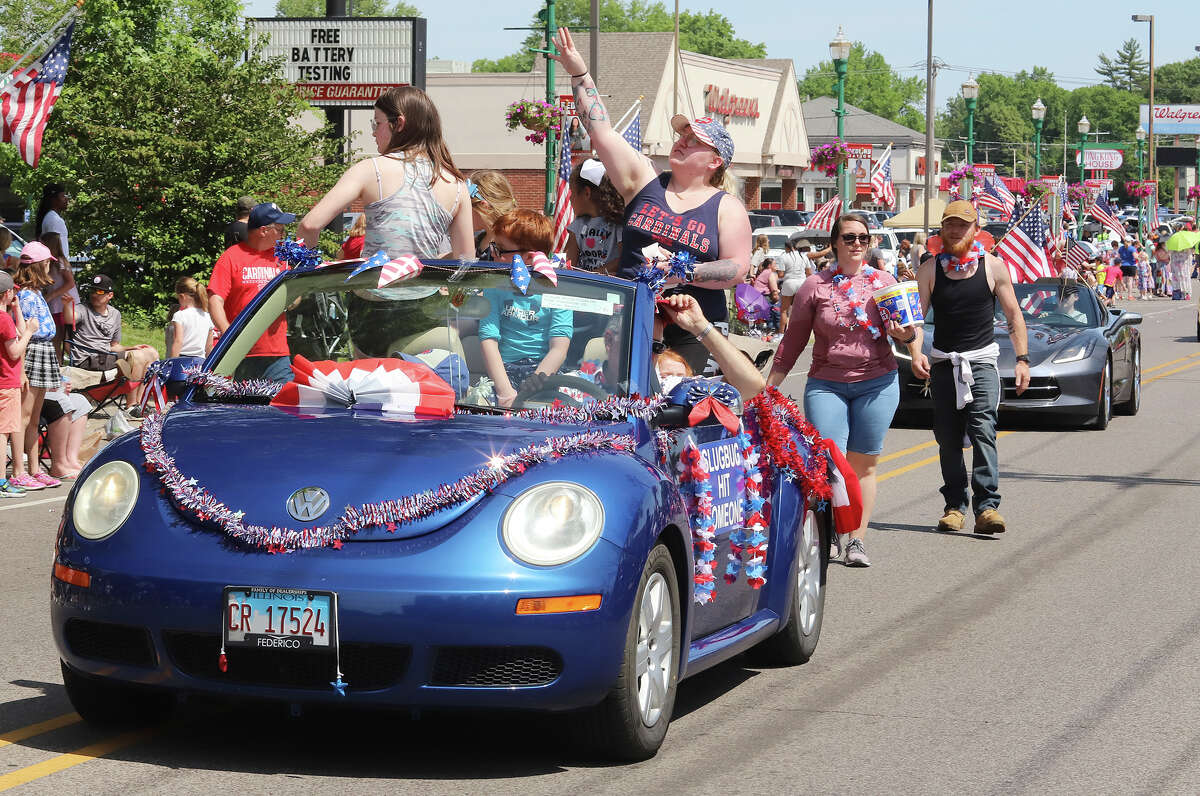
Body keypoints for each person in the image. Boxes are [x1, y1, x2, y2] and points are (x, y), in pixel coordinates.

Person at [549, 26, 751, 376]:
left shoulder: (726, 206)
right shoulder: (644, 180)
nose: (683, 141)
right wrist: (579, 74)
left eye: (695, 140)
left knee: (680, 412)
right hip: (633, 319)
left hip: (695, 327)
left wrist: (681, 271)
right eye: (682, 134)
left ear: (715, 161)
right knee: (624, 411)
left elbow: (738, 268)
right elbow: (601, 131)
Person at [768, 214, 923, 567]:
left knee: (864, 465)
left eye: (864, 238)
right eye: (850, 237)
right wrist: (769, 389)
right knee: (829, 464)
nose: (857, 244)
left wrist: (908, 341)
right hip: (827, 384)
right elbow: (792, 341)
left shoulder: (884, 282)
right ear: (835, 242)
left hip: (878, 382)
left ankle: (857, 540)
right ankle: (833, 531)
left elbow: (911, 330)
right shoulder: (814, 286)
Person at [916, 200, 1029, 536]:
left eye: (963, 225)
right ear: (942, 229)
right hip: (943, 364)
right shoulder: (930, 270)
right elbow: (916, 320)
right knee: (947, 439)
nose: (955, 230)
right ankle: (954, 506)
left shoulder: (992, 267)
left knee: (983, 431)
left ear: (975, 230)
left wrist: (1022, 360)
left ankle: (987, 508)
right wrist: (915, 348)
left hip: (981, 361)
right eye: (950, 224)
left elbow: (1013, 316)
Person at [297, 85, 473, 260]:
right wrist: (419, 264)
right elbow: (465, 260)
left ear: (398, 124)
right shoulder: (456, 183)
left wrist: (304, 273)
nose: (373, 133)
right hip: (427, 286)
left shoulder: (369, 170)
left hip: (373, 287)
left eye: (377, 123)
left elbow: (309, 225)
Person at [477, 210, 573, 409]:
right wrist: (505, 392)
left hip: (545, 373)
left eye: (500, 249)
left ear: (528, 258)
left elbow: (559, 346)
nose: (493, 254)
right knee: (478, 403)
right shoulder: (495, 286)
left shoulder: (558, 289)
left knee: (568, 407)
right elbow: (488, 339)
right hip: (503, 371)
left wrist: (534, 385)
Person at [208, 203, 294, 381]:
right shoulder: (231, 257)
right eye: (280, 230)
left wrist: (294, 297)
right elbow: (215, 300)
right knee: (244, 407)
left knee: (284, 404)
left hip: (277, 353)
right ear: (263, 231)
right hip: (242, 353)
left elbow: (295, 296)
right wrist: (228, 334)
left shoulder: (282, 257)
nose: (283, 234)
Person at [13, 243, 62, 489]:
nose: (50, 266)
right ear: (39, 265)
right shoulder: (24, 296)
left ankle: (34, 469)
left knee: (34, 417)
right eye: (47, 263)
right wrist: (20, 370)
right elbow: (23, 333)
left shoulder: (36, 294)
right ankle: (19, 470)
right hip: (32, 353)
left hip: (44, 352)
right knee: (23, 415)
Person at [72, 274, 160, 411]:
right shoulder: (82, 309)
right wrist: (67, 305)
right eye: (92, 290)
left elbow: (113, 346)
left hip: (105, 356)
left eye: (100, 291)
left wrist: (131, 347)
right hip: (88, 358)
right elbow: (69, 318)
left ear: (110, 295)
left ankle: (139, 402)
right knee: (137, 357)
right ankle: (130, 406)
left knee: (151, 353)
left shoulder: (115, 314)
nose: (95, 294)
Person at [0, 270, 36, 497]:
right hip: (6, 383)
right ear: (7, 293)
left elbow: (18, 333)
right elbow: (14, 352)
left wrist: (17, 309)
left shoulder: (6, 316)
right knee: (2, 434)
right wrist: (31, 333)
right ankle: (2, 481)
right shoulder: (3, 320)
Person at [565, 158, 624, 273]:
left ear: (587, 193)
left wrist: (596, 274)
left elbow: (624, 258)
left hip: (609, 286)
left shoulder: (618, 224)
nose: (570, 198)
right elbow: (569, 262)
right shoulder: (577, 226)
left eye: (572, 192)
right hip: (585, 285)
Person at [40, 376, 92, 479]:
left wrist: (57, 384)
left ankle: (71, 460)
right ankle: (58, 465)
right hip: (26, 396)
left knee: (80, 400)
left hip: (44, 390)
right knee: (61, 401)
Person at [39, 231, 78, 360]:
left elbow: (70, 282)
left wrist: (52, 295)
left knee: (64, 339)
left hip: (63, 304)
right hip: (55, 305)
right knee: (55, 338)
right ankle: (58, 363)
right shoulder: (48, 262)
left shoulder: (60, 262)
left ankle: (69, 361)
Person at [467, 170, 518, 259]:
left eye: (465, 207)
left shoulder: (508, 247)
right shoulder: (480, 239)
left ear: (484, 208)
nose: (462, 213)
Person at [168, 277, 214, 360]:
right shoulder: (207, 316)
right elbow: (209, 346)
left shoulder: (179, 315)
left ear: (182, 296)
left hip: (182, 361)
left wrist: (171, 364)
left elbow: (178, 341)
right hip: (200, 362)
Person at [36, 184, 70, 261]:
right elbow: (56, 250)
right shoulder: (54, 220)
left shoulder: (50, 217)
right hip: (58, 268)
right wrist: (64, 269)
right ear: (54, 200)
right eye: (63, 196)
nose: (66, 199)